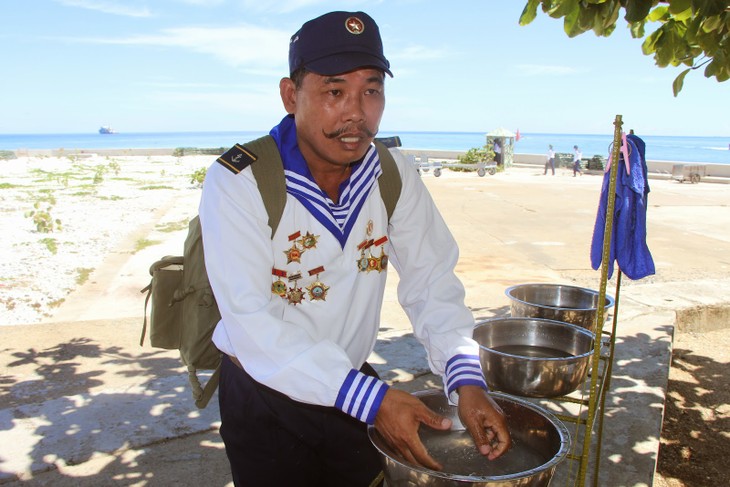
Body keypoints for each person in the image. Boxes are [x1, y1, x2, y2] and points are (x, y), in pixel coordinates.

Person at [198, 11, 510, 487]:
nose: (356, 113)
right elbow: (250, 322)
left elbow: (432, 279)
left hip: (350, 383)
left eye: (371, 90)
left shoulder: (392, 174)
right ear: (290, 95)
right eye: (334, 91)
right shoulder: (241, 181)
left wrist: (465, 378)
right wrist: (375, 401)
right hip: (264, 393)